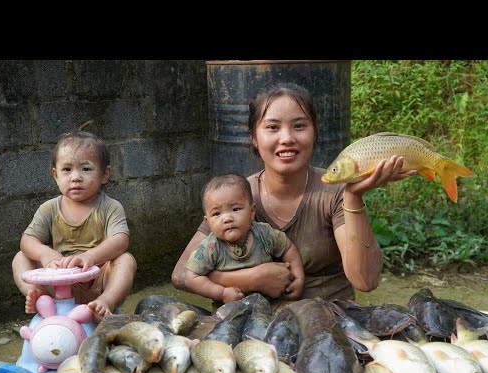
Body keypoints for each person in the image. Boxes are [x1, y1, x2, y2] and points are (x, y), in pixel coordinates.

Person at [172, 82, 415, 306]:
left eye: (299, 126)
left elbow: (365, 281)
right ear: (253, 138)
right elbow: (181, 273)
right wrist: (252, 279)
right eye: (272, 127)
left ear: (314, 132)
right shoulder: (236, 198)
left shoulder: (335, 192)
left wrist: (353, 198)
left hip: (330, 323)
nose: (287, 138)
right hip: (254, 328)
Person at [11, 122, 137, 321]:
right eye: (67, 169)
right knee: (21, 257)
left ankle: (106, 302)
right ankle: (40, 297)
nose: (76, 177)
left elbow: (120, 241)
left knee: (126, 260)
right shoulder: (49, 208)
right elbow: (27, 240)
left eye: (86, 169)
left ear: (104, 174)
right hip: (59, 281)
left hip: (97, 279)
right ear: (55, 175)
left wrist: (91, 256)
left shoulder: (110, 207)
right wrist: (45, 254)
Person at [184, 173, 305, 305]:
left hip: (271, 305)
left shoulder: (264, 234)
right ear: (208, 222)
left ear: (252, 212)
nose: (227, 218)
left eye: (235, 209)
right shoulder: (210, 247)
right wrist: (221, 293)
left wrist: (298, 278)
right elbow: (191, 277)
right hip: (230, 310)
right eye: (217, 213)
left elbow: (288, 248)